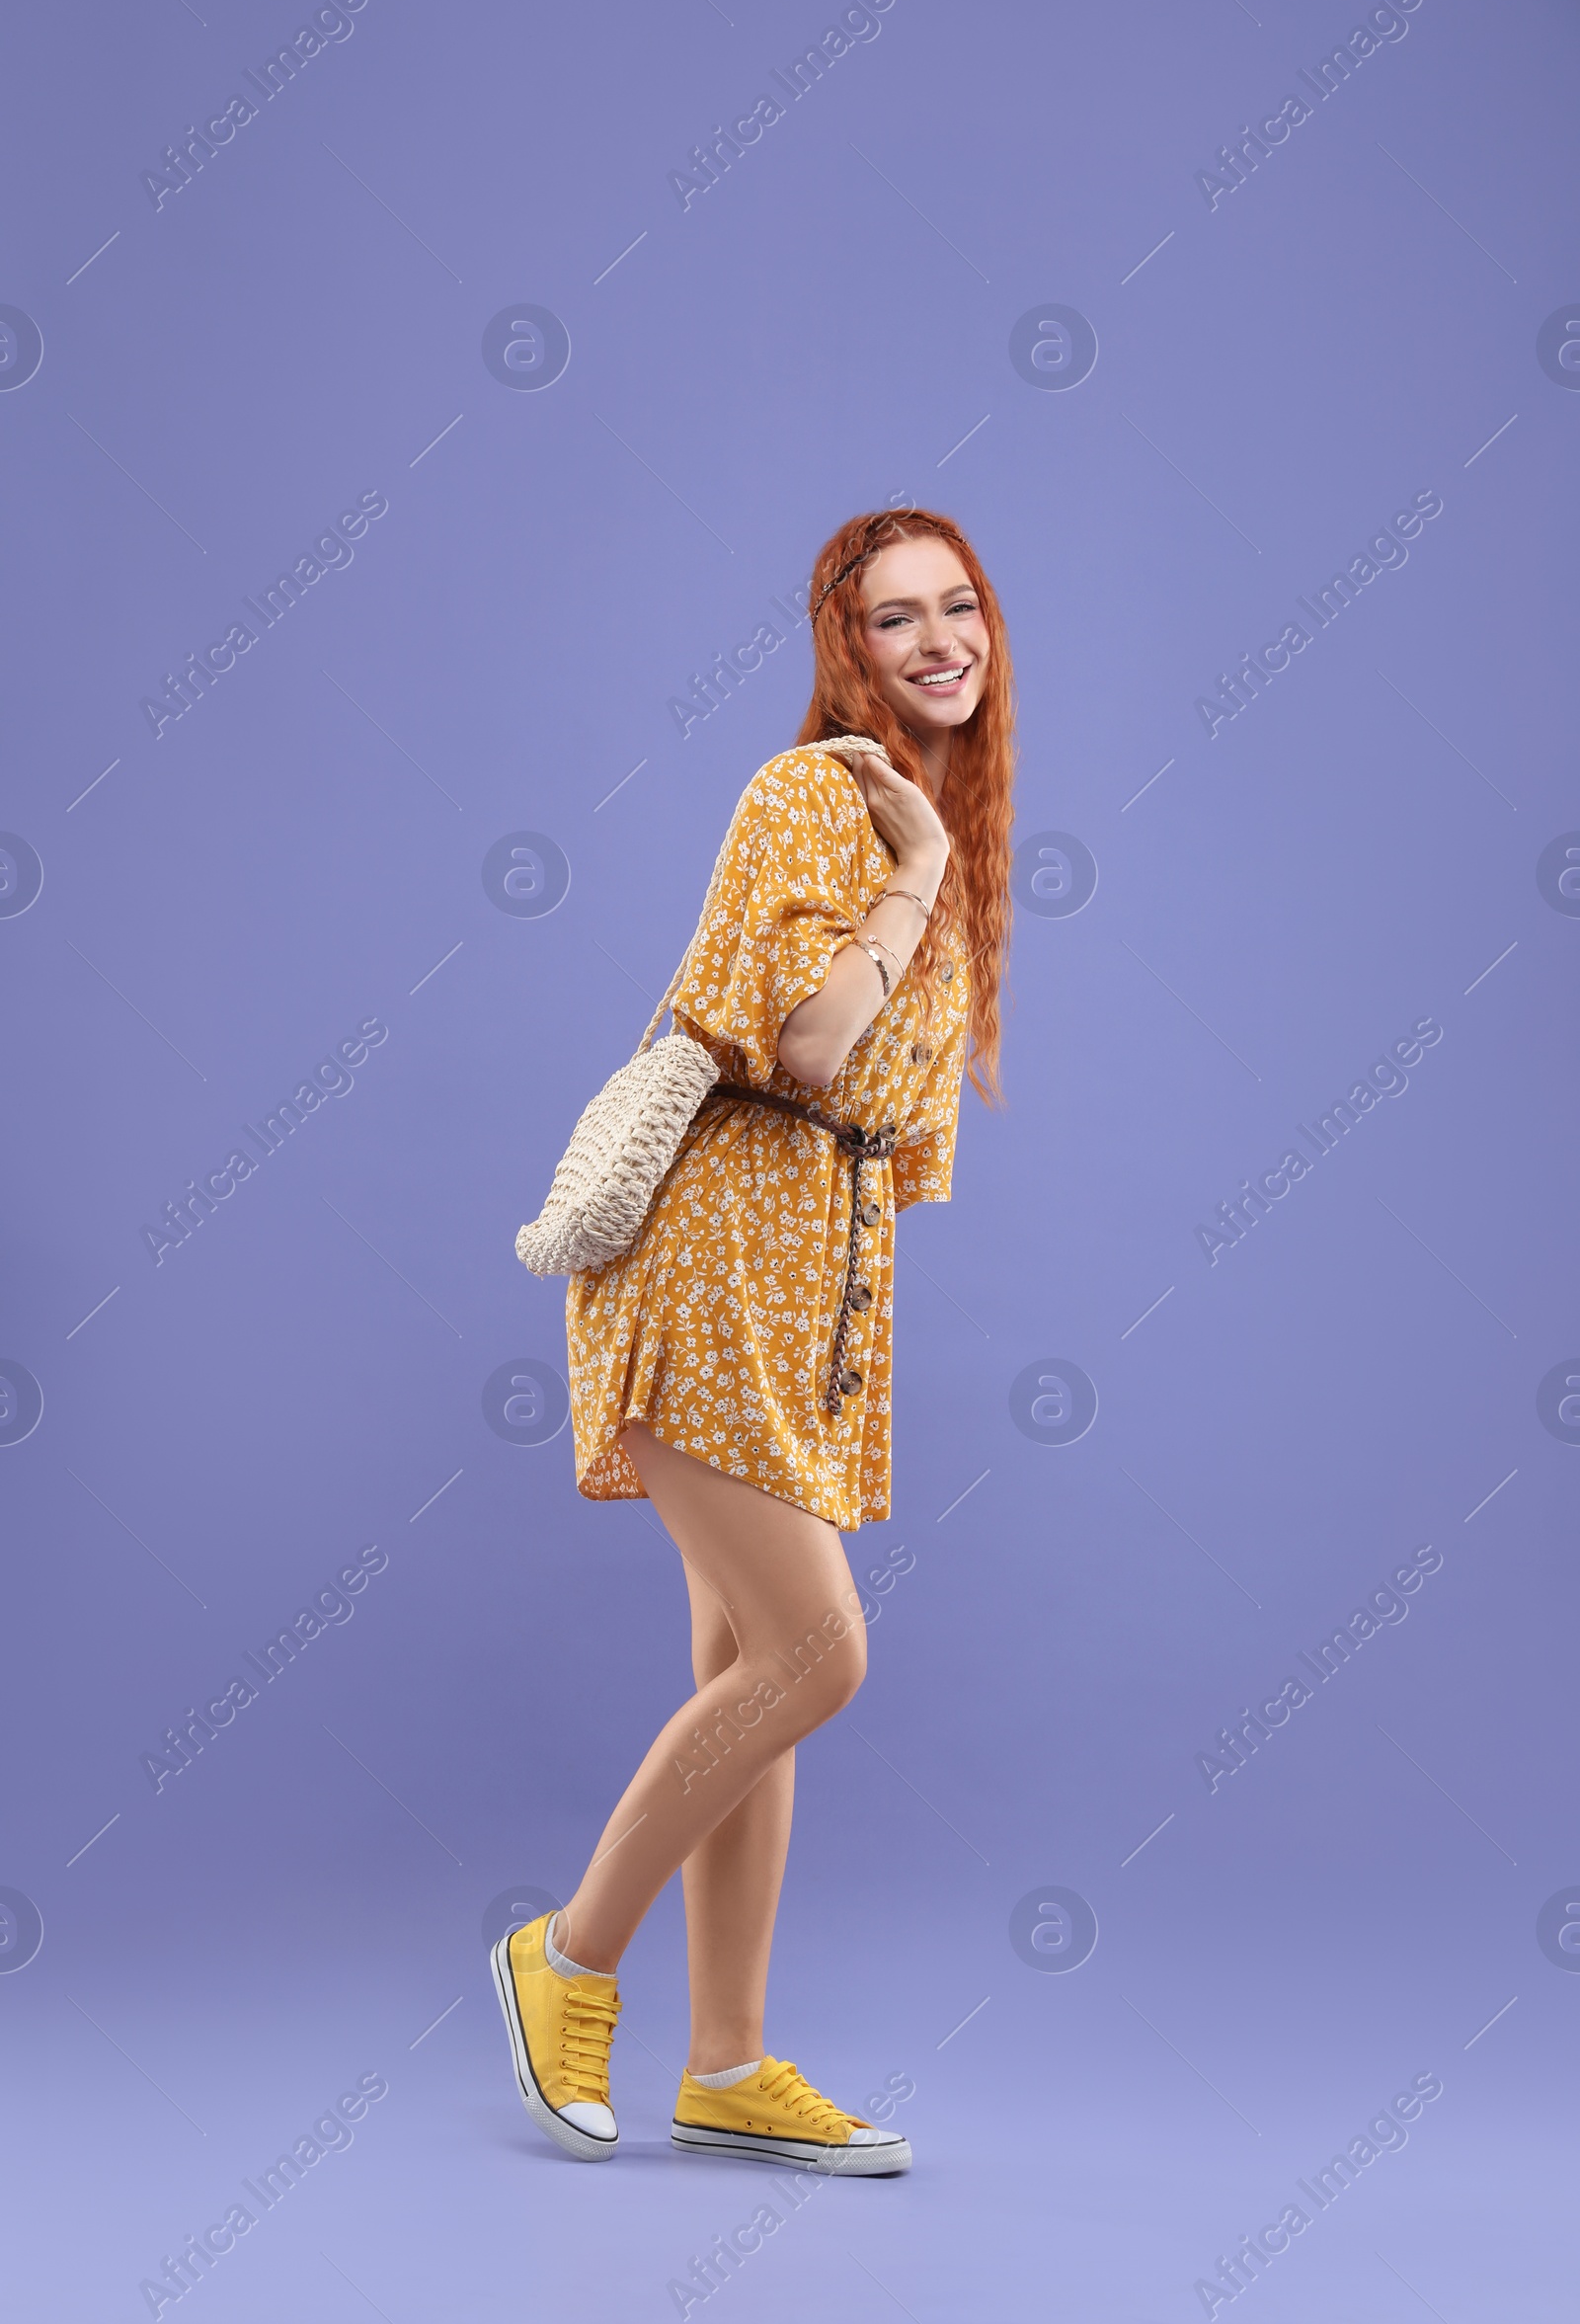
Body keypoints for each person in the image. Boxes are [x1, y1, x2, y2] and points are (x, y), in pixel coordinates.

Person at [492, 508, 1015, 2174]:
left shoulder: (947, 829)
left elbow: (894, 1133)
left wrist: (944, 871)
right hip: (707, 1257)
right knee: (819, 1655)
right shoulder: (824, 799)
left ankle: (726, 2065)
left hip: (807, 1288)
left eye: (961, 608)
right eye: (897, 616)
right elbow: (802, 1043)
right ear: (843, 643)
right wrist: (916, 878)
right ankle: (564, 1957)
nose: (938, 640)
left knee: (747, 1673)